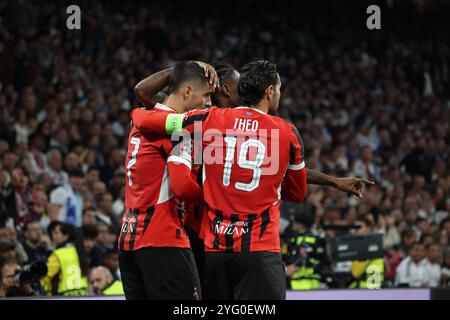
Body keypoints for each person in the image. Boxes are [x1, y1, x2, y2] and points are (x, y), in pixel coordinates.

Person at [132, 60, 307, 299]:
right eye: (278, 90)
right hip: (259, 248)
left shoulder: (208, 120)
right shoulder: (286, 132)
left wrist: (136, 114)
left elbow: (155, 119)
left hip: (215, 248)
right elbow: (297, 192)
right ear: (269, 92)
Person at [118, 60, 214, 300]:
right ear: (188, 91)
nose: (209, 103)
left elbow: (141, 93)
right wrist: (214, 199)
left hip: (130, 240)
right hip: (163, 239)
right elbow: (181, 186)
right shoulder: (177, 130)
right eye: (207, 95)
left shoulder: (146, 120)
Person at [40, 221, 89, 296]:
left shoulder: (58, 254)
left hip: (64, 294)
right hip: (82, 293)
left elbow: (46, 275)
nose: (53, 236)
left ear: (66, 236)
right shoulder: (79, 251)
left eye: (56, 233)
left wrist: (35, 282)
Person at [348, 217, 384, 289]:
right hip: (361, 290)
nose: (356, 230)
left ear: (368, 228)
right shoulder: (357, 247)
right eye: (355, 228)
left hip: (368, 290)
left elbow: (355, 273)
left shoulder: (371, 246)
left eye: (359, 227)